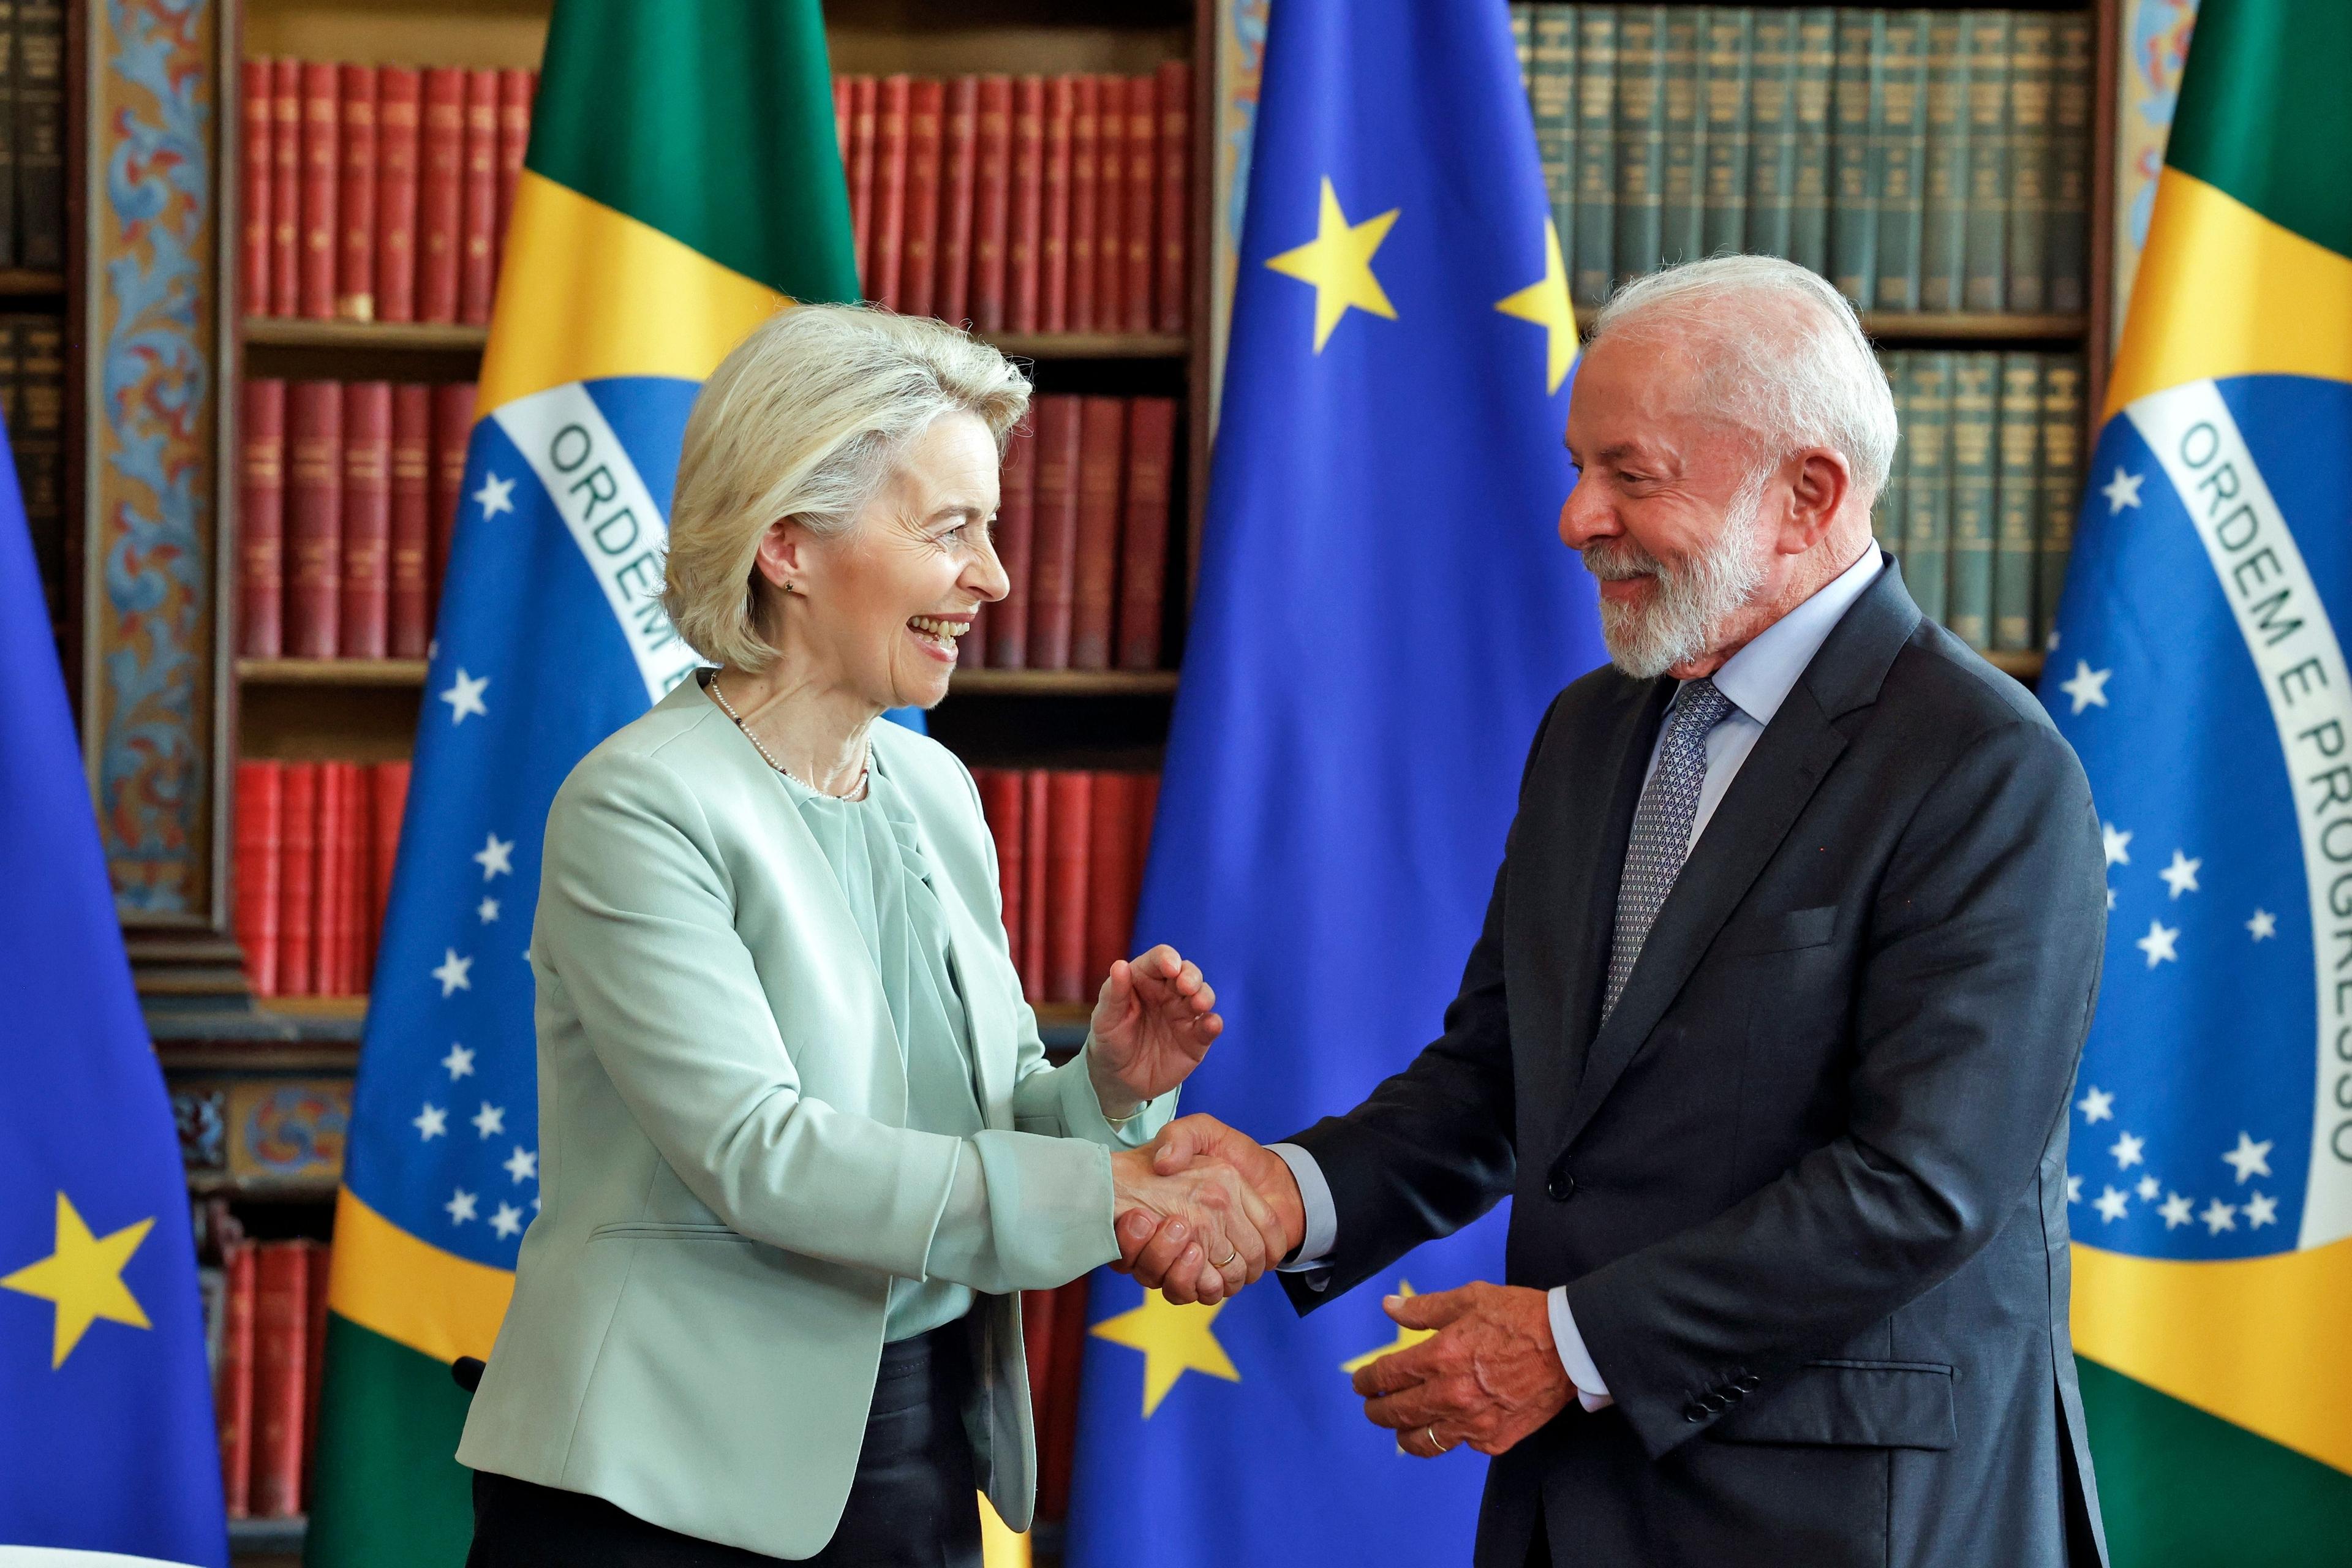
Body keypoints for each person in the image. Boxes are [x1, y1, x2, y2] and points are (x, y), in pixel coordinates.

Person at [1126, 255, 2112, 1567]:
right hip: (1573, 1500)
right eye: (1581, 465)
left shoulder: (1984, 764)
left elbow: (1920, 1183)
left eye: (1631, 475)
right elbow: (1501, 1076)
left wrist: (1570, 1342)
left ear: (1806, 493)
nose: (1574, 515)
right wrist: (1288, 1191)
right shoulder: (1592, 729)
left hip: (1846, 1518)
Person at [456, 304, 1285, 1566]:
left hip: (921, 1446)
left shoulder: (935, 793)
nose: (994, 577)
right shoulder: (640, 804)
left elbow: (982, 1127)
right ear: (785, 543)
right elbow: (757, 1152)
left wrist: (1106, 1094)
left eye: (990, 530)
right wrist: (1108, 1191)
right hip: (659, 1478)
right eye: (951, 529)